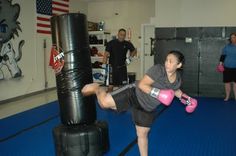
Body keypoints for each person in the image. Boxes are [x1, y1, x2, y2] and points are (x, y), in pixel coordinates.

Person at [82, 50, 197, 156]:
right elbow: (142, 84)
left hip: (147, 107)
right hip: (133, 93)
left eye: (171, 61)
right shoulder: (158, 70)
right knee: (103, 103)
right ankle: (97, 88)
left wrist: (188, 100)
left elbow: (175, 90)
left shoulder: (177, 79)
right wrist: (159, 94)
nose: (167, 63)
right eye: (166, 60)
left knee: (142, 134)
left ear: (179, 65)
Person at [218, 32, 236, 101]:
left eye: (234, 37)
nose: (232, 39)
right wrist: (220, 64)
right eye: (231, 37)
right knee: (227, 83)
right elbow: (223, 56)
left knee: (235, 83)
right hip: (227, 68)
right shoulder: (227, 47)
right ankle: (227, 97)